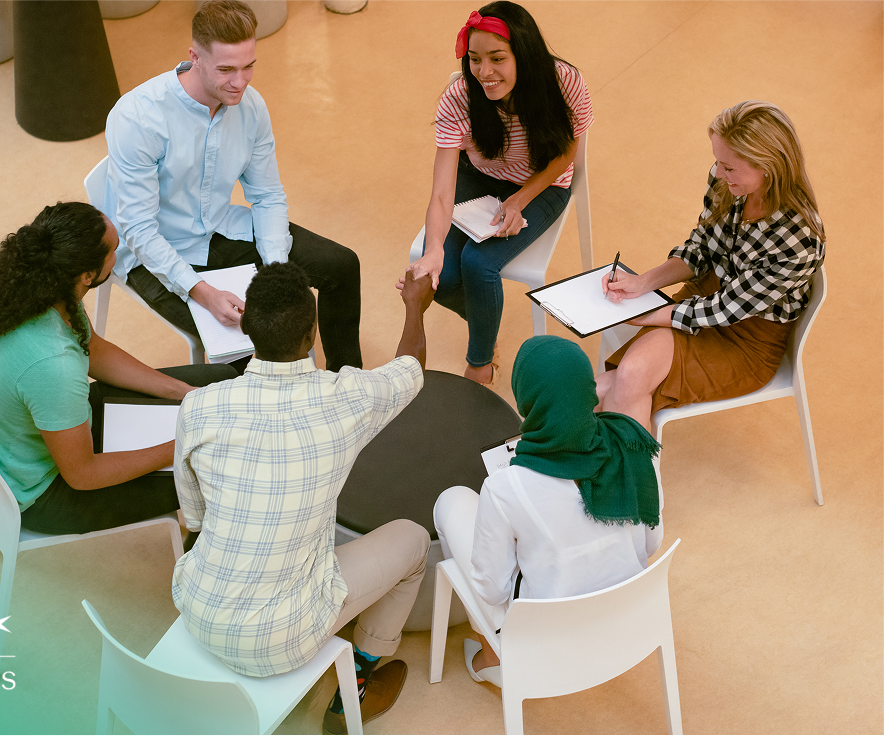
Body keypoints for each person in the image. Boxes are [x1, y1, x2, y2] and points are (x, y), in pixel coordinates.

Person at [172, 262, 435, 734]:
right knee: (414, 542)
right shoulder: (347, 396)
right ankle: (356, 683)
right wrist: (415, 306)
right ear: (312, 333)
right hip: (283, 640)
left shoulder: (199, 406)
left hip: (197, 608)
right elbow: (412, 368)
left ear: (249, 327)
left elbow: (193, 519)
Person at [102, 0, 362, 372]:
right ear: (194, 57)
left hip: (221, 227)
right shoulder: (138, 118)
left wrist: (274, 272)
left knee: (341, 265)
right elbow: (140, 230)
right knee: (245, 341)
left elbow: (267, 195)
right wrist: (204, 294)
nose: (240, 82)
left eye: (248, 66)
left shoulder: (251, 107)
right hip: (157, 252)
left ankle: (345, 382)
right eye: (226, 69)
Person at [0, 202, 236, 535]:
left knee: (221, 380)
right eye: (113, 249)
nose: (119, 251)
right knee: (220, 465)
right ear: (87, 274)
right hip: (49, 493)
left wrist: (181, 392)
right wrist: (182, 443)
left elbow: (93, 349)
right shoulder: (54, 367)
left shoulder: (44, 291)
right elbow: (83, 475)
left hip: (55, 426)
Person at [433, 335, 662, 686]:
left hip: (546, 639)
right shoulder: (633, 442)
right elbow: (651, 542)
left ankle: (491, 656)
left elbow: (491, 591)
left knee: (451, 502)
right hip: (626, 619)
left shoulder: (505, 486)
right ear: (588, 388)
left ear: (526, 402)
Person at [598, 101, 826, 430]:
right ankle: (618, 477)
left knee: (617, 383)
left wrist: (644, 314)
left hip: (748, 340)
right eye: (717, 161)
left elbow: (727, 309)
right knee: (626, 378)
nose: (718, 173)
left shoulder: (798, 237)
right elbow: (701, 249)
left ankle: (592, 470)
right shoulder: (727, 181)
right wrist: (643, 283)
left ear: (767, 166)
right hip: (705, 298)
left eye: (729, 167)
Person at [406, 1, 593, 385]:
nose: (484, 72)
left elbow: (567, 151)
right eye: (475, 59)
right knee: (439, 277)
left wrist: (520, 198)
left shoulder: (564, 81)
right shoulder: (459, 97)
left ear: (522, 54)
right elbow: (442, 192)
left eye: (497, 58)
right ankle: (485, 324)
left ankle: (480, 366)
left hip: (542, 184)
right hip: (480, 176)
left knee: (479, 263)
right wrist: (434, 250)